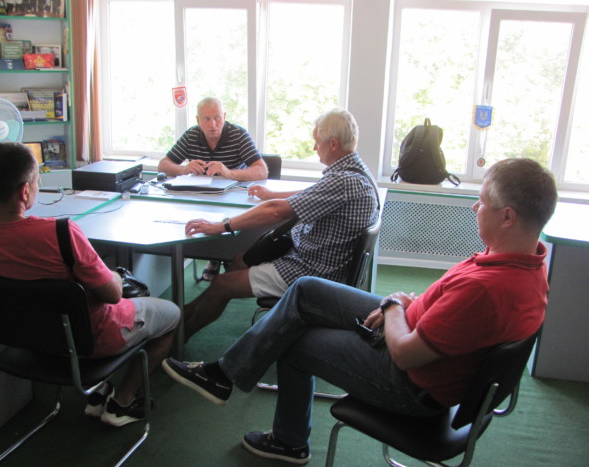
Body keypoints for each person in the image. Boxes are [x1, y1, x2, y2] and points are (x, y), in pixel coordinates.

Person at [162, 157, 557, 464]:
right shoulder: (530, 264)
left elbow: (405, 354)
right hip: (414, 329)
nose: (474, 207)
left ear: (508, 216)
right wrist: (406, 303)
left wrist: (393, 305)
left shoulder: (486, 289)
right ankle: (224, 375)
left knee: (292, 340)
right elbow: (449, 309)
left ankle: (288, 440)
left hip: (409, 382)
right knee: (305, 289)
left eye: (483, 201)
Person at [0, 142, 180, 428]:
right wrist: (115, 275)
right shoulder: (59, 234)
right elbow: (112, 294)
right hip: (89, 338)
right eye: (37, 181)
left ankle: (99, 389)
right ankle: (123, 401)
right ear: (25, 191)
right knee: (171, 313)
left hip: (21, 336)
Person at [181, 107, 379, 342]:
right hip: (315, 260)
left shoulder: (344, 181)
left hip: (311, 272)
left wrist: (221, 226)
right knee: (239, 261)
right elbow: (313, 193)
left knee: (223, 283)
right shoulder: (356, 172)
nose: (315, 147)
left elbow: (275, 212)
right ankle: (183, 316)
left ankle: (176, 338)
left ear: (333, 144)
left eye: (317, 142)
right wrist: (273, 194)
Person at [158, 97, 268, 280]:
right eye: (207, 119)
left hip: (233, 198)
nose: (213, 124)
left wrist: (228, 172)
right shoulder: (191, 135)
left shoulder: (238, 134)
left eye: (217, 118)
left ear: (224, 116)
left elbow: (262, 171)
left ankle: (225, 258)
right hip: (201, 198)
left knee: (231, 225)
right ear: (198, 120)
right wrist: (183, 169)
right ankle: (214, 257)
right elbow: (163, 165)